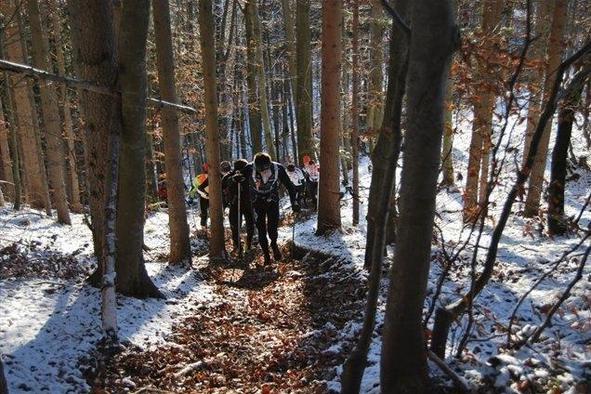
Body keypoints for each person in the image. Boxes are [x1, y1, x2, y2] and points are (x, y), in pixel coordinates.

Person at [234, 152, 299, 265]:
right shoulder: (249, 168)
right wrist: (237, 178)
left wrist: (294, 202)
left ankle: (273, 244)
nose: (263, 172)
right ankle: (266, 255)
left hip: (272, 199)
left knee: (272, 227)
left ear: (269, 164)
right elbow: (237, 178)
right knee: (260, 228)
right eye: (260, 170)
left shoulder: (278, 168)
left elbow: (289, 186)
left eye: (265, 169)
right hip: (256, 200)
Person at [222, 159, 255, 254]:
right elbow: (223, 185)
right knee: (236, 226)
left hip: (247, 203)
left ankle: (248, 243)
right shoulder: (230, 175)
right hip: (235, 203)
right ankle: (238, 245)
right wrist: (233, 180)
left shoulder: (250, 175)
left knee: (250, 225)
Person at [189, 164, 210, 228]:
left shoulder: (199, 177)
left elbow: (193, 188)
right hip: (215, 197)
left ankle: (203, 227)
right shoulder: (216, 176)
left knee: (204, 213)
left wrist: (191, 198)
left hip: (203, 197)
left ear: (203, 169)